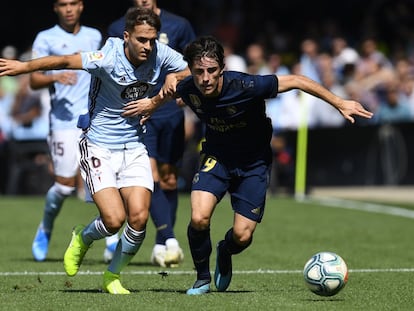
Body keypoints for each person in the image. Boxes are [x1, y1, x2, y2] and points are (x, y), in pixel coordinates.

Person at [124, 36, 374, 295]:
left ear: (222, 68)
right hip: (217, 157)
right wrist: (151, 105)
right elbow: (173, 88)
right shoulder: (190, 87)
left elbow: (298, 81)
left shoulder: (247, 85)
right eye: (199, 72)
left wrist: (340, 103)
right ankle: (201, 279)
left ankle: (225, 250)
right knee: (199, 217)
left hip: (253, 163)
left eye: (212, 71)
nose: (206, 78)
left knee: (242, 236)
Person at [0, 7, 190, 294]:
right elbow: (64, 60)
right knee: (114, 220)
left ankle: (112, 276)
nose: (147, 46)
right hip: (99, 146)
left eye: (151, 40)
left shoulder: (160, 53)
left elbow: (187, 69)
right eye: (141, 40)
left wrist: (167, 86)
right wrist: (23, 67)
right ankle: (82, 238)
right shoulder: (107, 57)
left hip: (134, 146)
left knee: (138, 218)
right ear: (126, 37)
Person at [105, 0, 196, 268]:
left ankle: (159, 243)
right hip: (139, 110)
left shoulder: (180, 25)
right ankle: (169, 239)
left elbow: (194, 63)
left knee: (168, 179)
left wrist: (183, 87)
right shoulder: (116, 27)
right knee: (150, 175)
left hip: (169, 112)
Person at [29, 0, 102, 261]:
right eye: (63, 4)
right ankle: (46, 226)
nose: (68, 9)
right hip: (62, 122)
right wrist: (54, 76)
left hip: (93, 120)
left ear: (82, 6)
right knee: (64, 186)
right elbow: (34, 79)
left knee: (102, 183)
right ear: (55, 8)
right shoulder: (46, 38)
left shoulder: (94, 36)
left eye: (73, 3)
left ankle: (113, 239)